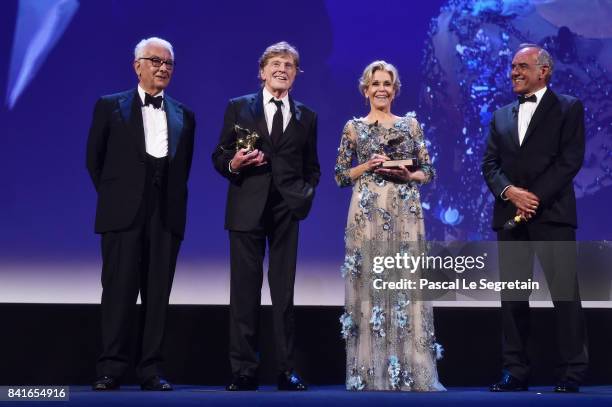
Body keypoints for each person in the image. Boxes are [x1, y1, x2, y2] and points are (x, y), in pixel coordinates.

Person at [86, 37, 195, 391]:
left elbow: (184, 169)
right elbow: (95, 161)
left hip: (165, 215)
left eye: (168, 64)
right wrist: (120, 195)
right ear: (137, 65)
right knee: (117, 291)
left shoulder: (184, 115)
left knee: (157, 295)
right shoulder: (109, 106)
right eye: (155, 61)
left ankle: (150, 369)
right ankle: (111, 369)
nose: (163, 68)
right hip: (122, 214)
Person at [212, 41, 320, 391]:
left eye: (289, 65)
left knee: (284, 293)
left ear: (296, 74)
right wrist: (234, 163)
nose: (281, 69)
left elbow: (312, 167)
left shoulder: (307, 116)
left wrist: (304, 193)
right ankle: (244, 370)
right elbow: (219, 155)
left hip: (286, 209)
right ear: (262, 71)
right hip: (247, 207)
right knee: (244, 292)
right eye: (275, 63)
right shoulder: (239, 107)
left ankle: (286, 369)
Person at [482, 44, 587, 393]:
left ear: (544, 71)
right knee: (513, 298)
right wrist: (511, 193)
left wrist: (533, 198)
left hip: (553, 215)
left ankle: (572, 371)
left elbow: (569, 161)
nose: (514, 72)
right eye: (512, 66)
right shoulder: (500, 116)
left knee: (564, 294)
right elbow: (490, 165)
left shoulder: (568, 108)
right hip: (510, 217)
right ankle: (515, 370)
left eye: (522, 66)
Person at [334, 61, 445, 391]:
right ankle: (371, 372)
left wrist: (410, 175)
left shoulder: (411, 125)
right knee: (370, 284)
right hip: (367, 210)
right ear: (365, 89)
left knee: (405, 284)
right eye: (375, 83)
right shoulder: (353, 128)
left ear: (395, 90)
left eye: (387, 83)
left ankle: (412, 370)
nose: (381, 89)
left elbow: (429, 171)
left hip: (404, 209)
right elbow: (340, 175)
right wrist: (366, 165)